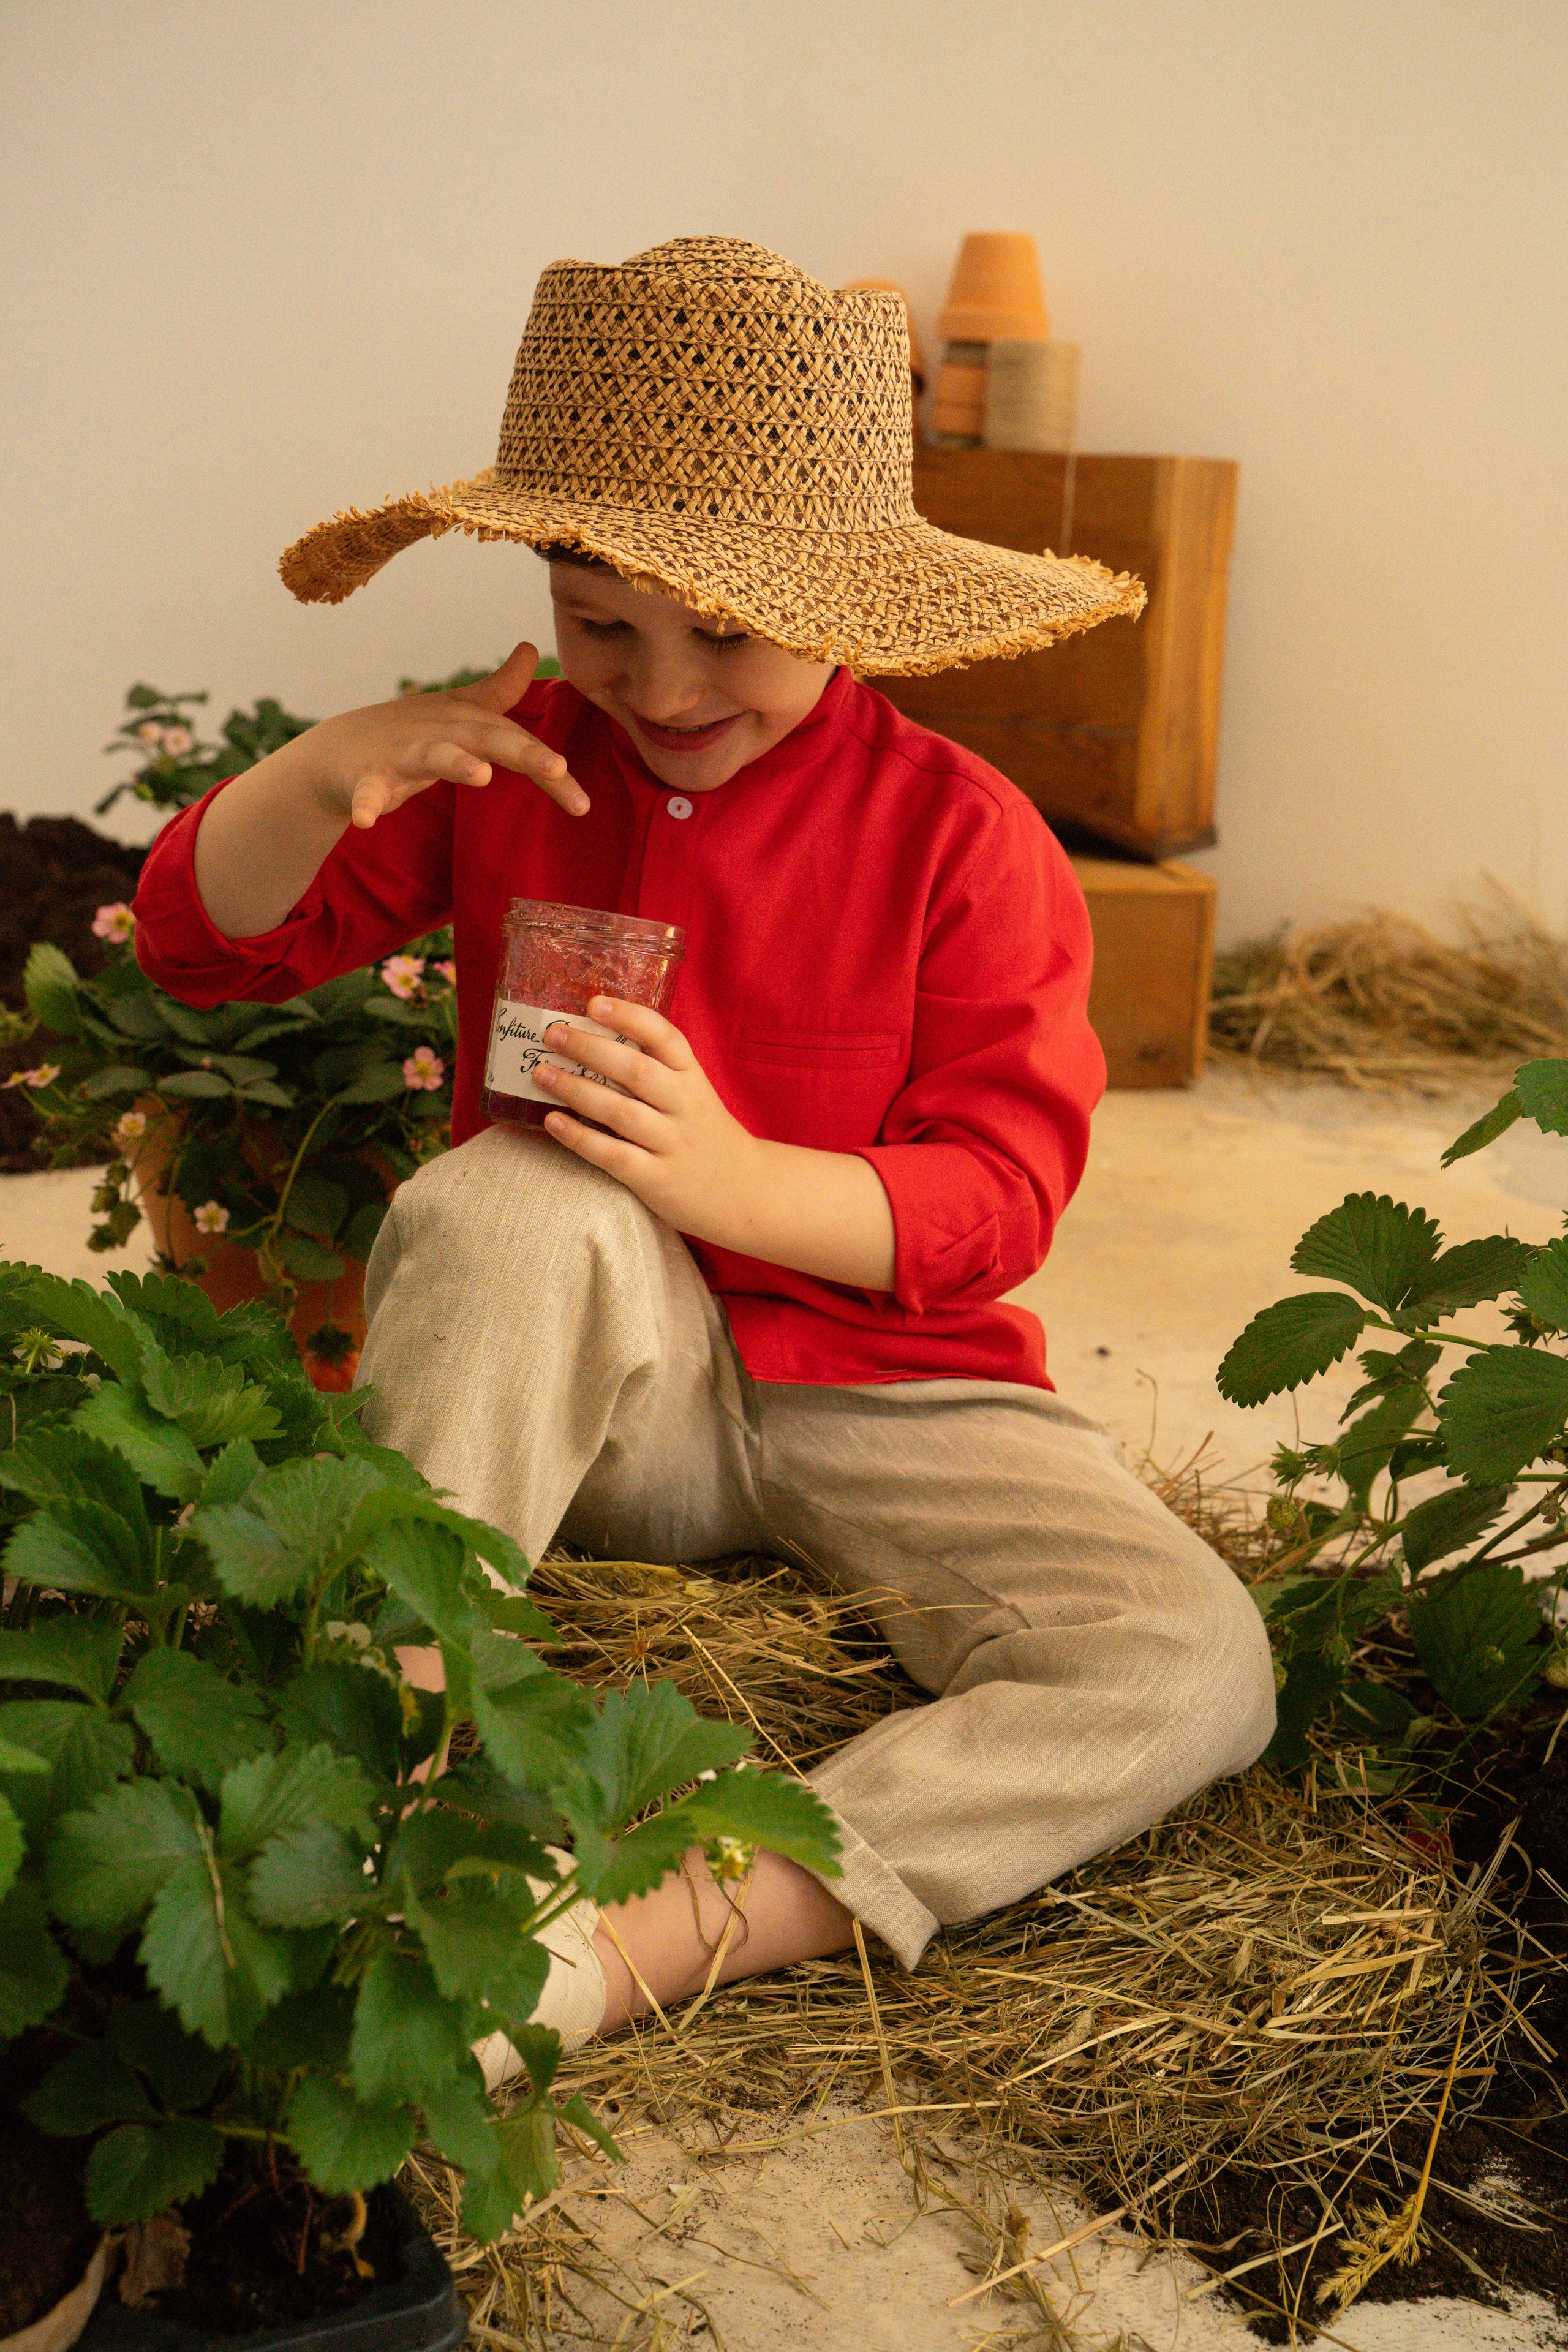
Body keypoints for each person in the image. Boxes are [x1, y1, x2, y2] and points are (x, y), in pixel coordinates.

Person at [133, 235, 1275, 2066]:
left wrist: (734, 1180)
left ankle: (618, 1949)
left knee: (1192, 1666)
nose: (660, 689)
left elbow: (998, 1199)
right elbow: (208, 945)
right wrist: (319, 764)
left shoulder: (961, 840)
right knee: (510, 1193)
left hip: (897, 1395)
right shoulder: (517, 759)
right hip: (611, 1389)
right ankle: (384, 1782)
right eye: (605, 625)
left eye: (726, 632)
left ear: (853, 594)